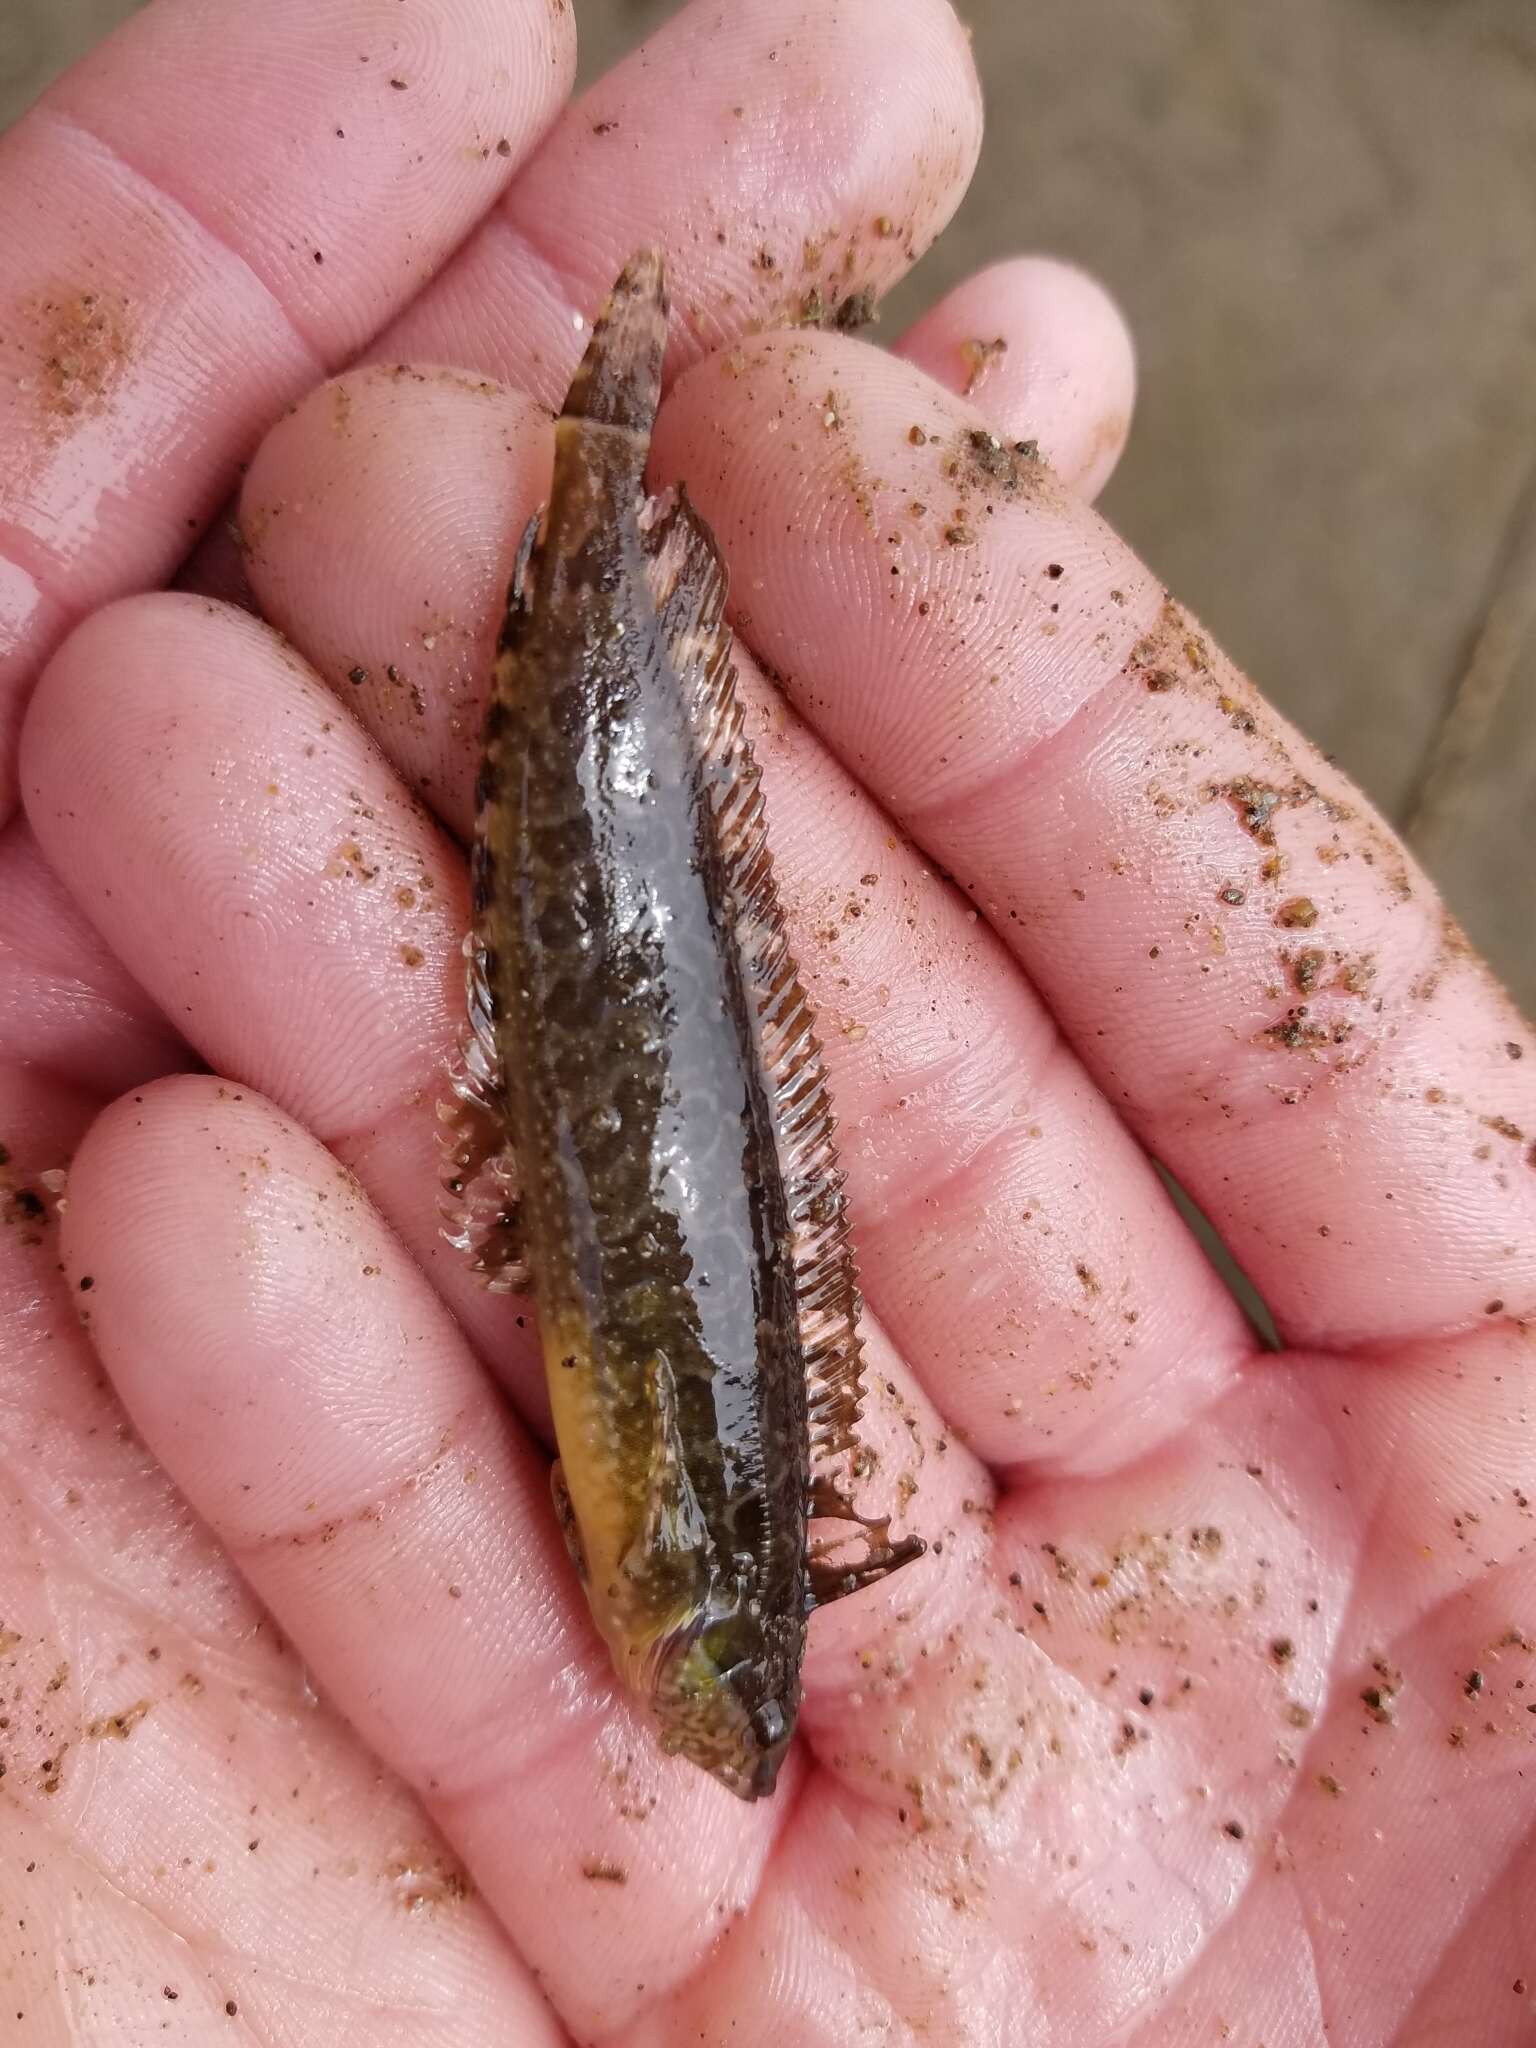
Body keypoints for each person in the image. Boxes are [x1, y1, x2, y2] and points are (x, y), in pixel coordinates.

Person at [1, 0, 1531, 2040]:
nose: (712, 1719)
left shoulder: (697, 1580)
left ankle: (604, 469)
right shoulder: (700, 1560)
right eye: (721, 1678)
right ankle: (602, 456)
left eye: (727, 1681)